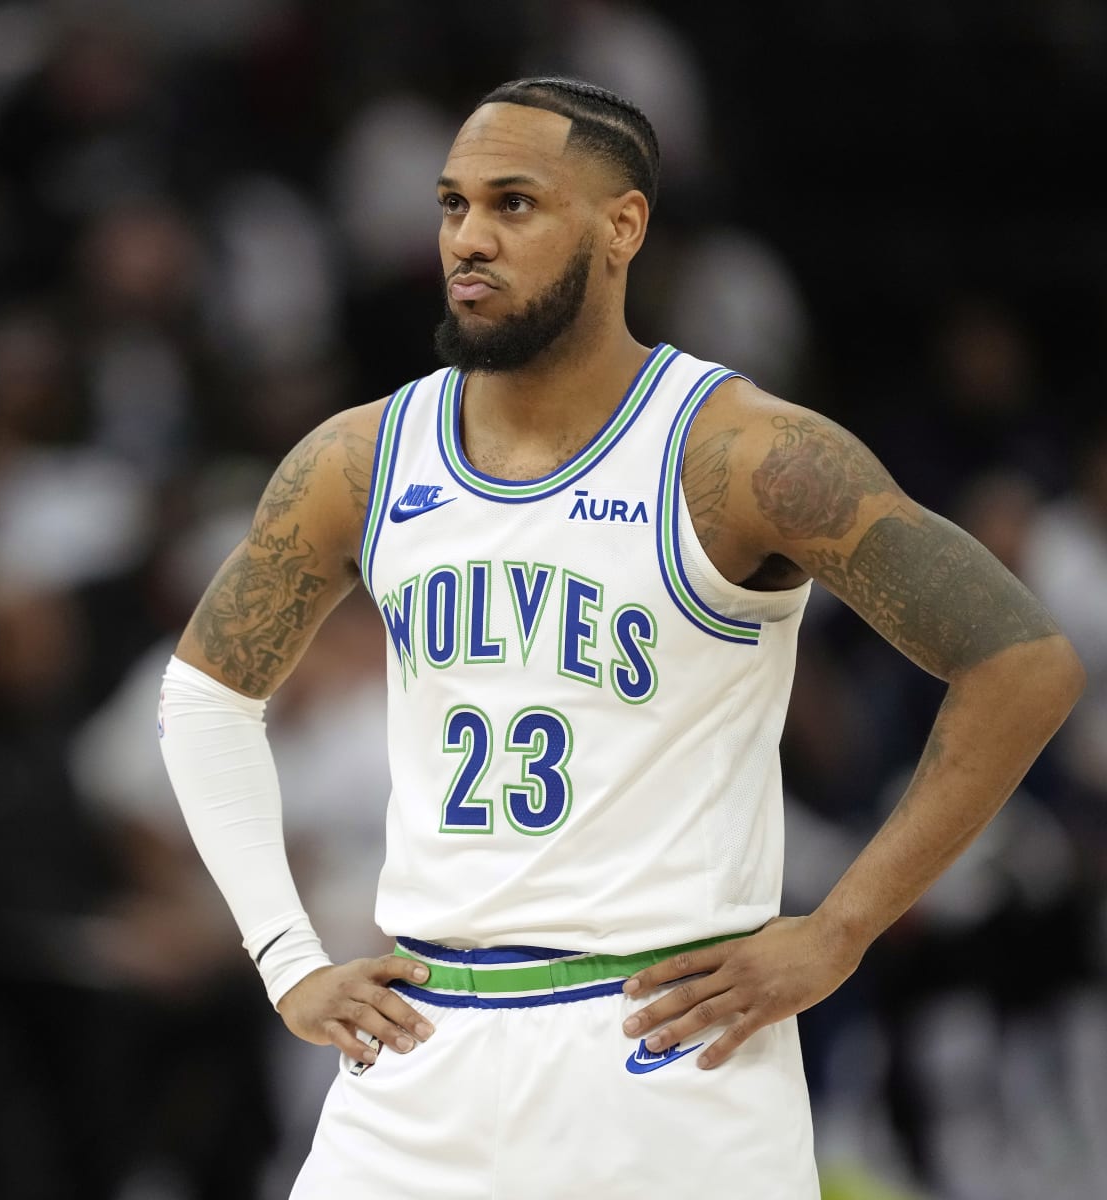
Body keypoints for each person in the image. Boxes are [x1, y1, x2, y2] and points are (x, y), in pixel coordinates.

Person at [155, 76, 1084, 1198]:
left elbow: (1023, 663)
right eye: (453, 205)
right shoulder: (359, 458)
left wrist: (842, 930)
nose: (470, 238)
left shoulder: (742, 455)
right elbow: (204, 698)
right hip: (419, 1049)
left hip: (665, 1051)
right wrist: (286, 957)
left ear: (622, 226)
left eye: (514, 204)